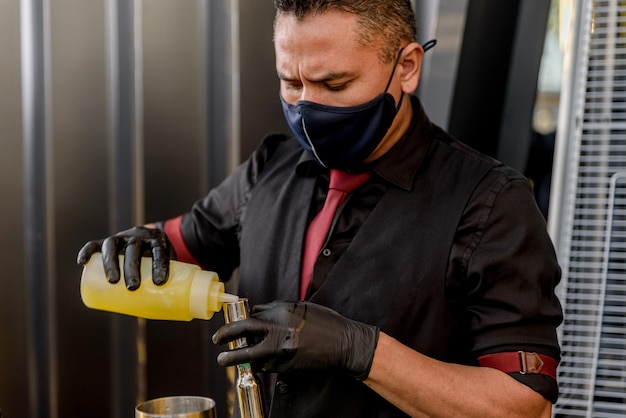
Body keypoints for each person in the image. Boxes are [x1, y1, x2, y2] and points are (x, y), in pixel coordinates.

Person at [77, 0, 563, 416]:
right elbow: (188, 244)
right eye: (291, 83)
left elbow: (524, 404)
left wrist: (362, 352)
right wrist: (144, 243)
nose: (307, 110)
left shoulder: (492, 203)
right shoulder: (270, 167)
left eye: (334, 85)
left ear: (407, 67)